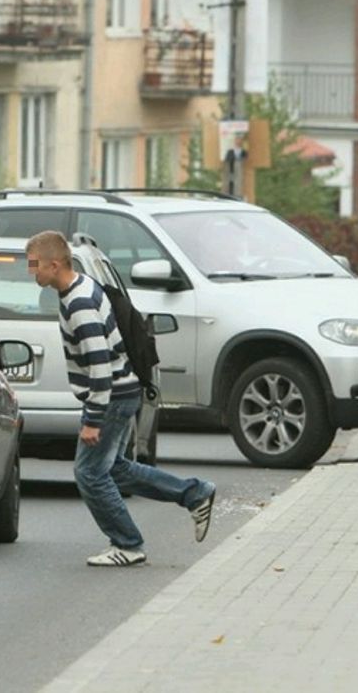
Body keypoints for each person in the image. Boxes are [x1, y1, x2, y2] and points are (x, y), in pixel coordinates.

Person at [26, 230, 216, 567]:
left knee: (89, 474)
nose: (31, 272)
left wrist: (92, 420)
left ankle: (128, 543)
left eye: (34, 265)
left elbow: (99, 364)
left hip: (111, 395)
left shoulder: (79, 303)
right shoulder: (81, 286)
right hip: (122, 391)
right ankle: (194, 493)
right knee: (116, 469)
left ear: (54, 265)